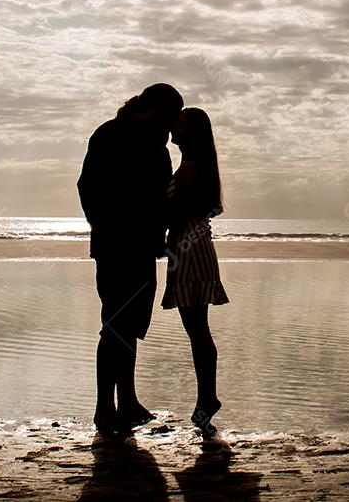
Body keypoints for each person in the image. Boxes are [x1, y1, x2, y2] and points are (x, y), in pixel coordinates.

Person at [77, 83, 183, 434]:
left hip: (142, 246)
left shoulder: (155, 144)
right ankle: (105, 408)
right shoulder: (111, 133)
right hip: (116, 245)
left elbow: (165, 194)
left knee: (130, 326)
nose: (171, 129)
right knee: (116, 326)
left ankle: (129, 400)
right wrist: (107, 226)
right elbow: (88, 187)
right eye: (169, 118)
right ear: (153, 110)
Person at [162, 107, 229, 435]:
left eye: (182, 124)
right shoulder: (196, 166)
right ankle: (207, 398)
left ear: (192, 134)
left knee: (197, 330)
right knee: (198, 329)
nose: (175, 127)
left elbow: (178, 212)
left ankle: (208, 399)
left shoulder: (189, 167)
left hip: (189, 250)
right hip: (194, 248)